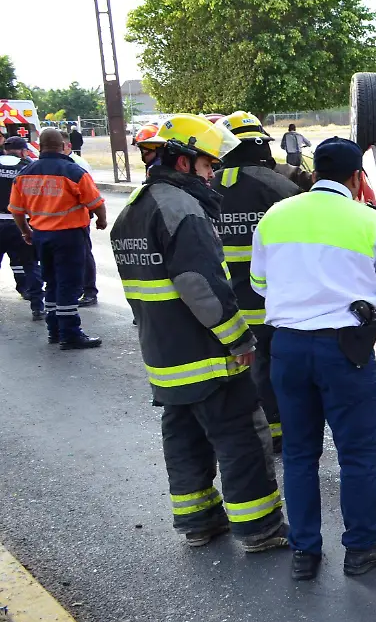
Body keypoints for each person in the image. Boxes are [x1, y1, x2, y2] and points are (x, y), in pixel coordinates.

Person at [110, 114, 290, 552]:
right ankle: (259, 527)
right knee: (242, 437)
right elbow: (201, 285)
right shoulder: (181, 210)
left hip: (163, 354)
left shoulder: (133, 209)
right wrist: (238, 340)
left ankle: (198, 520)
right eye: (208, 165)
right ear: (185, 162)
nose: (213, 174)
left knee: (184, 436)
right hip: (206, 355)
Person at [251, 136, 376, 581]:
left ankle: (305, 552)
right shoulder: (367, 220)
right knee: (356, 455)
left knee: (300, 454)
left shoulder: (275, 216)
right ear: (357, 177)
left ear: (315, 172)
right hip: (345, 351)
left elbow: (259, 283)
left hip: (286, 349)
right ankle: (360, 549)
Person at [213, 111, 302, 453]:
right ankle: (279, 431)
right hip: (274, 303)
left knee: (241, 374)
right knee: (276, 371)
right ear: (262, 144)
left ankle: (250, 431)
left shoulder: (207, 186)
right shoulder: (281, 187)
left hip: (225, 307)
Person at [7, 129, 104, 349]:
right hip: (69, 236)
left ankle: (55, 330)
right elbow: (96, 202)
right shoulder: (73, 171)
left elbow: (17, 210)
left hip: (41, 235)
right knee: (69, 284)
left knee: (51, 282)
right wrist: (102, 221)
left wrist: (25, 231)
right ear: (62, 146)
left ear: (39, 147)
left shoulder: (24, 173)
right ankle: (70, 334)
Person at [0, 137, 44, 320]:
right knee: (31, 265)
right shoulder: (28, 167)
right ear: (23, 151)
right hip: (23, 222)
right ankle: (37, 307)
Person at [56, 138, 100, 306]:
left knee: (84, 254)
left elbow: (91, 192)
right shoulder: (58, 164)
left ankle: (89, 291)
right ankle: (76, 288)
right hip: (61, 220)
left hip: (79, 218)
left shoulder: (77, 164)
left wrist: (97, 215)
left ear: (68, 146)